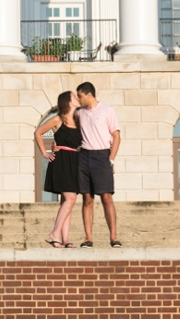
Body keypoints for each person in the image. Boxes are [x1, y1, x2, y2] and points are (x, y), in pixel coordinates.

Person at [75, 81, 122, 248]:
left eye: (80, 96)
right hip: (84, 155)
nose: (78, 99)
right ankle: (88, 238)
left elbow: (116, 136)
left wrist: (111, 158)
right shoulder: (79, 112)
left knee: (106, 197)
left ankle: (114, 237)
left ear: (89, 94)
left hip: (102, 155)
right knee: (87, 198)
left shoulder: (107, 110)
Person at [34, 90, 82, 248]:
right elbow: (38, 132)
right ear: (67, 101)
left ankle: (64, 239)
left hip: (74, 161)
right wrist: (45, 153)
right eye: (74, 97)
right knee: (71, 198)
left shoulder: (79, 120)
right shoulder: (57, 119)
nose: (77, 98)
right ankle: (55, 233)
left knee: (66, 202)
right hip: (61, 161)